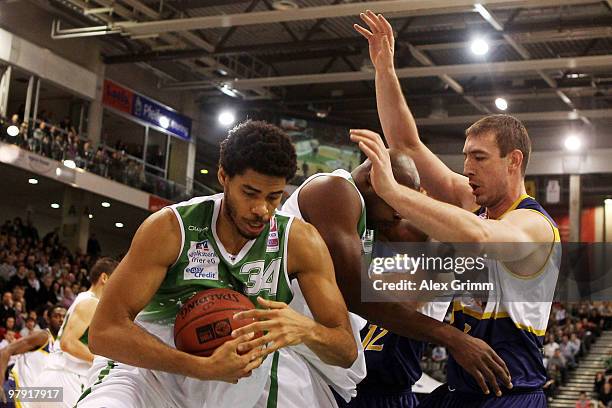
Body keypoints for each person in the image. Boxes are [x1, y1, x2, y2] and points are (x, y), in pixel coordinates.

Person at [352, 10, 560, 407]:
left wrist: (392, 192)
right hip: (462, 389)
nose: (467, 168)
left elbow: (480, 238)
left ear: (513, 161)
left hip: (510, 393)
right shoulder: (474, 203)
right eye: (466, 156)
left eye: (479, 158)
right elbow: (408, 146)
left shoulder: (533, 226)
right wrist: (384, 69)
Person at [76, 120, 357, 408]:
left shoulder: (299, 241)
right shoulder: (171, 228)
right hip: (148, 374)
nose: (261, 209)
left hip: (236, 383)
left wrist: (307, 330)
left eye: (273, 197)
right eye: (250, 193)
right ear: (223, 176)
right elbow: (103, 332)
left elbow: (346, 350)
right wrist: (200, 367)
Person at [269, 151, 510, 408]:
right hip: (286, 349)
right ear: (374, 181)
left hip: (319, 356)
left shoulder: (371, 212)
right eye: (396, 200)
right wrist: (454, 339)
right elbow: (357, 294)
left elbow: (427, 235)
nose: (400, 212)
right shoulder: (334, 192)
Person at [35, 258, 118, 407]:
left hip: (55, 375)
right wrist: (103, 361)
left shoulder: (84, 298)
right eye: (116, 279)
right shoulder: (91, 302)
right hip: (66, 378)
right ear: (104, 278)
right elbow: (68, 343)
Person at [0, 305, 67, 405]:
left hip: (32, 397)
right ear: (48, 319)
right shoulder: (42, 336)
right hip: (14, 393)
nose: (61, 319)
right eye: (56, 316)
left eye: (64, 317)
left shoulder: (63, 345)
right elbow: (5, 351)